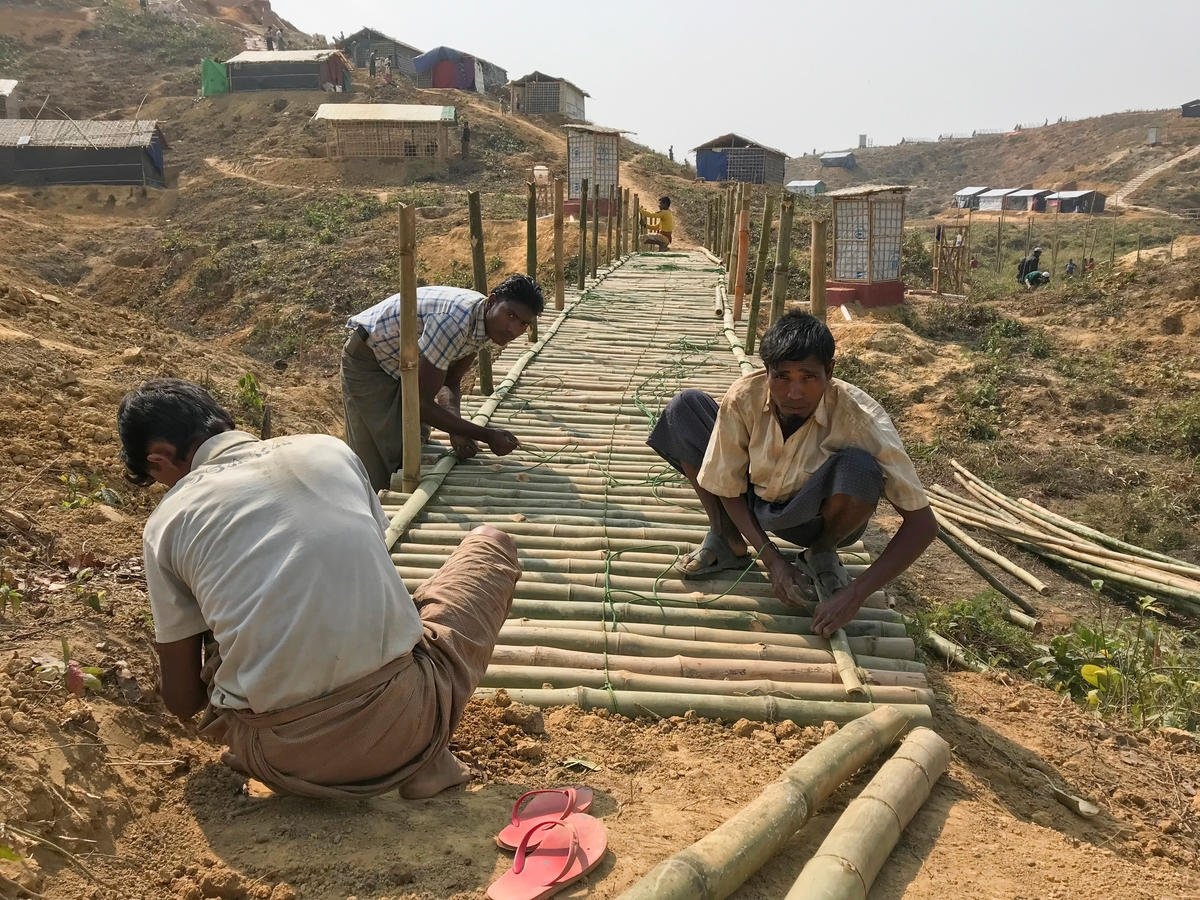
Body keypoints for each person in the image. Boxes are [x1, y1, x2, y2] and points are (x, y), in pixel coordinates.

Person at [118, 379, 521, 799]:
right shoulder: (330, 450)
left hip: (277, 755)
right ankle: (427, 762)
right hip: (410, 725)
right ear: (220, 420)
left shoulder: (167, 522)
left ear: (159, 458)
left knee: (216, 619)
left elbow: (183, 702)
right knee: (492, 544)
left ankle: (279, 754)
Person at [646, 312, 936, 637]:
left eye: (808, 377)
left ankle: (821, 552)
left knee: (859, 467)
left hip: (812, 518)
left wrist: (856, 594)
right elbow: (726, 484)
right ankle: (727, 536)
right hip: (752, 498)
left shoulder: (861, 420)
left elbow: (923, 525)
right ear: (766, 371)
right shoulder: (745, 396)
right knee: (684, 408)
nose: (794, 393)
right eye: (782, 377)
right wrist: (773, 562)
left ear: (829, 372)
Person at [342, 275, 545, 492]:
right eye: (511, 315)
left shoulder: (485, 323)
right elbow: (421, 405)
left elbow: (450, 379)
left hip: (405, 367)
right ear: (492, 301)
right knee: (378, 459)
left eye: (523, 323)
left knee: (411, 443)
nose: (513, 329)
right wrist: (485, 435)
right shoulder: (454, 322)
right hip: (370, 361)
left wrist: (456, 429)